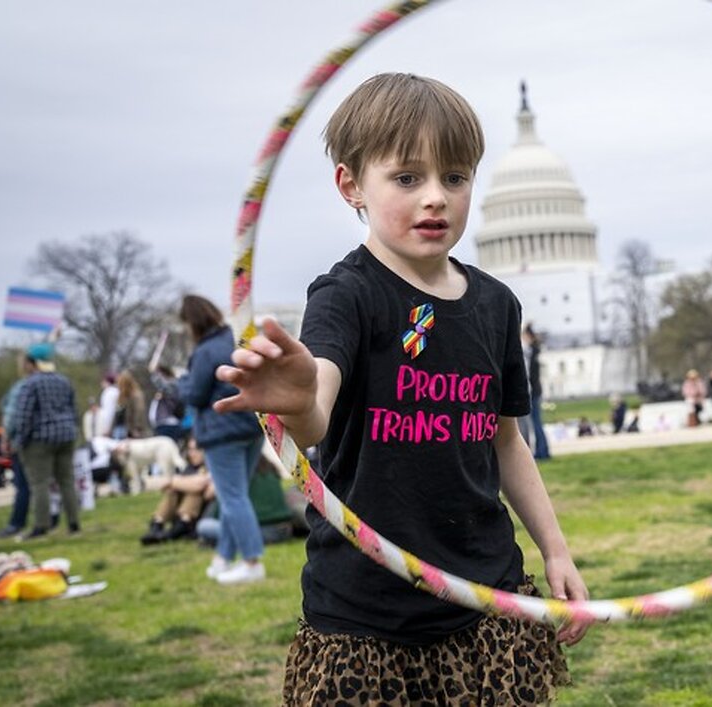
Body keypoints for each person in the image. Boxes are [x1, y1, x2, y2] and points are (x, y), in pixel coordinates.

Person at [213, 73, 587, 703]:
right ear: (352, 185)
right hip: (366, 616)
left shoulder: (497, 305)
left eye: (456, 177)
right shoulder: (346, 296)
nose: (435, 198)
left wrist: (556, 551)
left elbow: (507, 443)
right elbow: (317, 413)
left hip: (486, 599)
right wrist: (301, 396)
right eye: (408, 178)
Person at [177, 294, 267, 585]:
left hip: (220, 432)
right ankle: (223, 559)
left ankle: (252, 562)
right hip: (251, 427)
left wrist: (181, 382)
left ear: (192, 323)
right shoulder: (237, 338)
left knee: (232, 498)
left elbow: (195, 395)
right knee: (236, 496)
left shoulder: (204, 352)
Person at [12, 343, 82, 539]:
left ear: (32, 363)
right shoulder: (64, 381)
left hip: (40, 440)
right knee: (67, 481)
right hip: (66, 436)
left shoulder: (30, 384)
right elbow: (74, 410)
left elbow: (24, 415)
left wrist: (20, 440)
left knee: (39, 483)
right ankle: (74, 524)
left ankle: (41, 527)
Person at [140, 435, 213, 545]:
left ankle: (182, 525)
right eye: (190, 450)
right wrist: (176, 482)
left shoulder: (210, 466)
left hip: (199, 514)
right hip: (179, 510)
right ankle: (157, 523)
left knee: (193, 491)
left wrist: (171, 481)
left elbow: (200, 484)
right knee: (173, 490)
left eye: (196, 450)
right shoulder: (189, 468)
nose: (192, 454)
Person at [0, 358, 32, 538]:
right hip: (42, 440)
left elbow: (10, 415)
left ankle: (16, 524)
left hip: (22, 442)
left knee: (23, 484)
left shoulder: (20, 387)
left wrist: (6, 439)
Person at [521, 323, 552, 460]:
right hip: (536, 390)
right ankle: (542, 450)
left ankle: (542, 450)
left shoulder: (530, 352)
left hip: (533, 391)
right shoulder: (535, 351)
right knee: (537, 423)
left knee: (536, 423)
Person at [114, 370, 150, 440]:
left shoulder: (136, 395)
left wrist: (137, 428)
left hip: (135, 430)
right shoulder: (126, 396)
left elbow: (139, 411)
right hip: (126, 429)